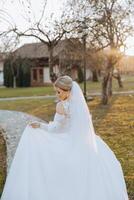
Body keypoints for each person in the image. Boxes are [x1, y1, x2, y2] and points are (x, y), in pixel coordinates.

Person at [1, 75, 128, 200]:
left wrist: (40, 126)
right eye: (56, 92)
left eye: (59, 92)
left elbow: (56, 128)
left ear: (67, 91)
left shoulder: (61, 106)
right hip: (82, 141)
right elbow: (83, 126)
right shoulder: (79, 106)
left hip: (67, 140)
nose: (57, 95)